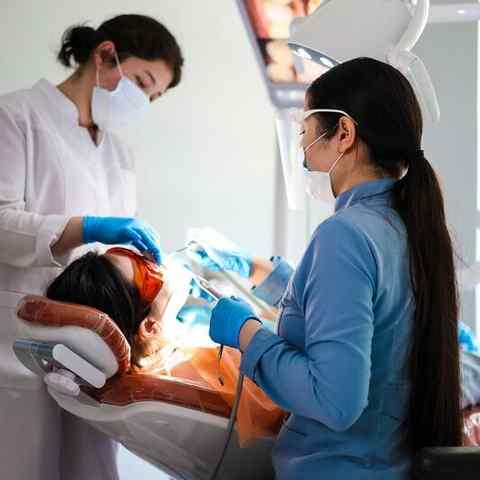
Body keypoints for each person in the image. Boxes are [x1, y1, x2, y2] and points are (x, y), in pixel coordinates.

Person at [198, 58, 462, 479]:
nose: (302, 153)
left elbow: (335, 401)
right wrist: (269, 281)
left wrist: (246, 333)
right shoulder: (408, 229)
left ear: (344, 133)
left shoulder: (345, 235)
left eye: (304, 133)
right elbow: (357, 316)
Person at [0, 14, 183, 480]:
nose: (143, 102)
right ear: (104, 54)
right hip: (17, 340)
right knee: (25, 464)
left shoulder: (118, 154)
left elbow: (117, 254)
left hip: (95, 353)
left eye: (153, 97)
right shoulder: (16, 117)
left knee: (92, 467)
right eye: (142, 83)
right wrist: (88, 227)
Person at [45, 248, 285, 445]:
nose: (154, 260)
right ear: (150, 327)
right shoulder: (221, 369)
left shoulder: (159, 361)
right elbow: (299, 378)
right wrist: (252, 325)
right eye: (147, 270)